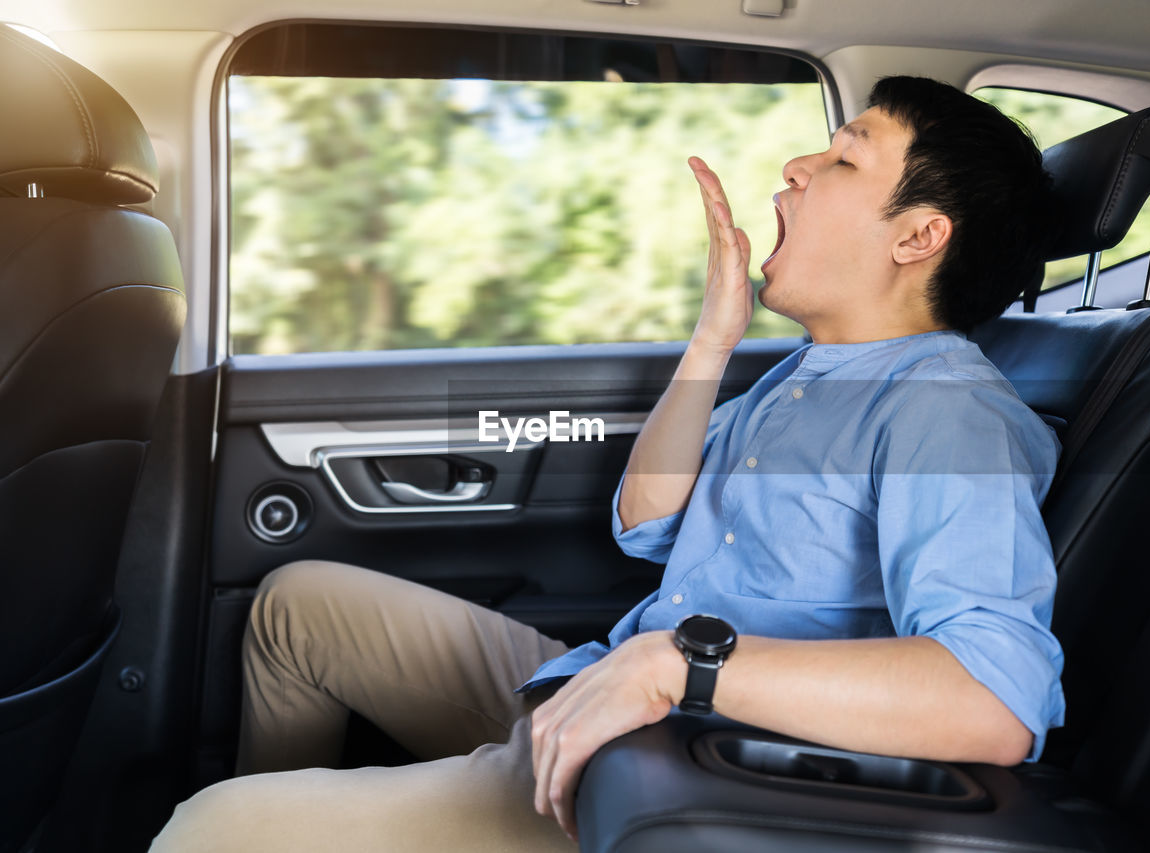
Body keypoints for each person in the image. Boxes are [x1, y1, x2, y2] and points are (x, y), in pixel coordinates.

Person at [150, 75, 1062, 852]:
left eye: (843, 159)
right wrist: (712, 342)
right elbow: (649, 524)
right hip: (602, 683)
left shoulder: (947, 410)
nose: (796, 168)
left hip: (667, 768)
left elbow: (993, 697)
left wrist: (683, 667)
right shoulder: (809, 374)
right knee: (295, 607)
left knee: (206, 829)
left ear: (917, 238)